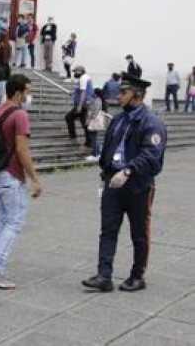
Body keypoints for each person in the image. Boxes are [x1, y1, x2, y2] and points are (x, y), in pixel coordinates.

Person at [82, 72, 167, 292]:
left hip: (138, 185)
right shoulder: (119, 119)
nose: (118, 95)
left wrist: (128, 170)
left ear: (137, 95)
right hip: (113, 182)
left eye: (123, 92)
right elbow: (110, 146)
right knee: (107, 230)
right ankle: (104, 275)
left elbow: (151, 154)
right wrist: (105, 169)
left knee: (139, 233)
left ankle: (137, 276)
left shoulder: (151, 123)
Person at [0, 74, 42, 290]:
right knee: (14, 222)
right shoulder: (20, 115)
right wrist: (34, 178)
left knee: (0, 221)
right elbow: (22, 149)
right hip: (10, 174)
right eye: (28, 91)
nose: (29, 95)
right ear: (18, 92)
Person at [65, 66, 94, 147]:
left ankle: (74, 136)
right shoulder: (83, 78)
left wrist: (80, 106)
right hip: (84, 104)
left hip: (83, 104)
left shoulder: (83, 78)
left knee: (69, 117)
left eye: (76, 71)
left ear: (81, 71)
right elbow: (80, 90)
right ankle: (89, 142)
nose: (74, 73)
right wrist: (73, 93)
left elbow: (83, 92)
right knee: (83, 122)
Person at [85, 88, 108, 162]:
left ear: (96, 93)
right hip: (96, 121)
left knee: (93, 138)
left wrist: (89, 120)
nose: (92, 93)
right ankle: (97, 154)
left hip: (94, 121)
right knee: (94, 138)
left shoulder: (97, 100)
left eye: (93, 92)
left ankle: (95, 154)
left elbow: (94, 112)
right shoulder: (100, 100)